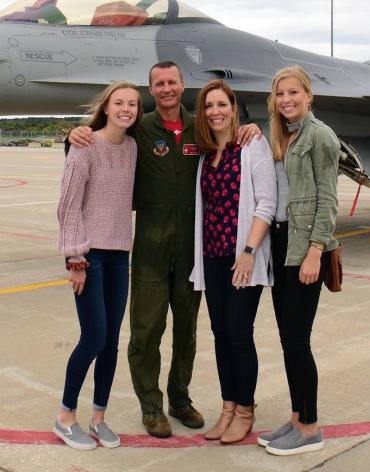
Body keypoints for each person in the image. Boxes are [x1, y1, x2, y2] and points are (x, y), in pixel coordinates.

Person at [68, 61, 261, 438]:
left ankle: (180, 398)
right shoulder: (140, 127)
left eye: (173, 81)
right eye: (159, 83)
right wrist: (75, 133)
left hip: (192, 250)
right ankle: (152, 406)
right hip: (150, 251)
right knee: (145, 332)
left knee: (186, 333)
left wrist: (250, 127)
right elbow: (103, 135)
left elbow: (229, 134)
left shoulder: (200, 125)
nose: (167, 88)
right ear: (151, 89)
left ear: (182, 85)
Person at [257, 66, 340, 456]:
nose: (286, 100)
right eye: (279, 95)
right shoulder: (282, 135)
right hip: (280, 243)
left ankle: (310, 428)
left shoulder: (320, 136)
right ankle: (296, 417)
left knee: (297, 341)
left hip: (305, 247)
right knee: (288, 341)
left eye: (293, 93)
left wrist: (315, 251)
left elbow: (329, 199)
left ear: (309, 96)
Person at [55, 81, 142, 450]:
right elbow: (68, 205)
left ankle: (99, 418)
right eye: (119, 103)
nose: (126, 109)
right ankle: (65, 416)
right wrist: (75, 257)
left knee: (111, 342)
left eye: (133, 104)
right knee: (94, 336)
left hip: (121, 255)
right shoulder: (85, 144)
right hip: (89, 258)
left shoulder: (134, 147)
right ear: (106, 107)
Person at [190, 80, 277, 444]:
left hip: (242, 258)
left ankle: (245, 409)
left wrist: (249, 252)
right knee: (221, 334)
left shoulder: (251, 144)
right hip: (212, 256)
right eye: (209, 105)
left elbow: (266, 204)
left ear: (233, 107)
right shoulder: (205, 154)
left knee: (240, 334)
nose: (215, 111)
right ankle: (227, 408)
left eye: (222, 104)